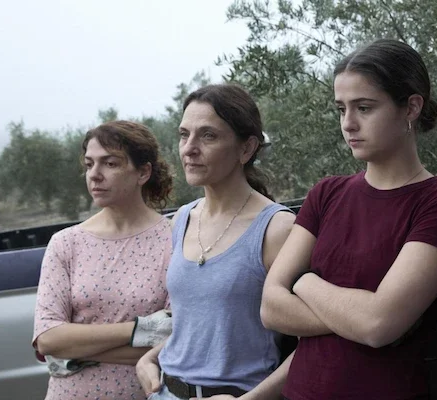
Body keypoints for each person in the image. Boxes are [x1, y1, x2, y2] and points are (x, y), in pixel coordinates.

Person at [260, 39, 437, 400]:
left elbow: (377, 325)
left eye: (364, 108)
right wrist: (357, 318)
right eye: (341, 109)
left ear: (411, 107)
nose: (348, 123)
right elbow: (270, 308)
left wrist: (303, 281)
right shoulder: (326, 194)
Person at [135, 83, 296, 400]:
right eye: (184, 135)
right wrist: (149, 359)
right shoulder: (181, 220)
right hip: (165, 392)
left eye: (208, 136)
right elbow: (198, 324)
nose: (189, 148)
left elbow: (315, 343)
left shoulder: (278, 229)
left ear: (246, 149)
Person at [33, 120, 175, 399]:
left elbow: (175, 339)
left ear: (143, 172)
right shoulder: (66, 243)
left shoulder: (176, 239)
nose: (95, 175)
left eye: (110, 164)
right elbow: (47, 339)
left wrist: (75, 349)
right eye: (89, 164)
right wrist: (143, 329)